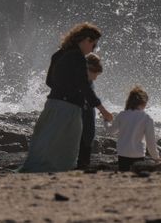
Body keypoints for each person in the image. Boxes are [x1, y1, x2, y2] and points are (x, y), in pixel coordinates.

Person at [20, 23, 109, 173]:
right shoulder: (78, 57)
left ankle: (37, 169)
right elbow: (84, 87)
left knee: (45, 142)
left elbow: (49, 81)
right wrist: (103, 109)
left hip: (52, 104)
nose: (92, 50)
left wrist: (63, 89)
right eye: (93, 45)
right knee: (66, 149)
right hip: (69, 108)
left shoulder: (59, 54)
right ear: (87, 40)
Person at [109, 86, 158, 171]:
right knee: (137, 177)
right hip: (138, 154)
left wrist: (106, 121)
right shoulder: (146, 118)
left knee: (123, 176)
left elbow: (111, 131)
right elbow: (151, 142)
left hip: (123, 153)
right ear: (144, 102)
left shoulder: (122, 115)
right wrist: (156, 157)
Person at [76, 53, 112, 169]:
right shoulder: (80, 79)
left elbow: (91, 97)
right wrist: (104, 111)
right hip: (81, 115)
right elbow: (90, 97)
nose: (96, 78)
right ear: (89, 69)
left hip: (88, 114)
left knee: (88, 136)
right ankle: (82, 164)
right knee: (83, 138)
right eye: (95, 74)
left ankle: (83, 163)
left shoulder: (88, 81)